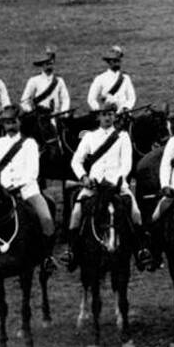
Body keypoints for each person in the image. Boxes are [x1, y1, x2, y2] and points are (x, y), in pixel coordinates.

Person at [66, 102, 142, 270]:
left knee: (136, 212)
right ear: (98, 117)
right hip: (94, 185)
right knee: (76, 213)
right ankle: (71, 251)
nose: (107, 117)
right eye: (104, 114)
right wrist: (84, 177)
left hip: (117, 184)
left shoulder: (123, 136)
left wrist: (118, 180)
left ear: (115, 116)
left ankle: (140, 251)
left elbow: (127, 163)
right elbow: (76, 161)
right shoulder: (89, 137)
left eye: (111, 114)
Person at [0, 105, 56, 246]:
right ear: (3, 124)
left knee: (46, 219)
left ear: (20, 122)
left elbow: (33, 172)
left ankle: (47, 254)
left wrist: (18, 186)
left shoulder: (30, 143)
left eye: (13, 122)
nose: (10, 126)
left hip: (27, 191)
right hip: (3, 191)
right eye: (7, 123)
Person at [87, 45, 136, 114]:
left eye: (118, 60)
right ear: (109, 62)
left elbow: (131, 97)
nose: (117, 63)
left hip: (124, 114)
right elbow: (91, 99)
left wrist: (126, 107)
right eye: (115, 60)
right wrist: (99, 110)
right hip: (107, 115)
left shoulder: (126, 78)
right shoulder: (100, 78)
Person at [20, 48, 69, 116]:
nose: (49, 66)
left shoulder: (59, 81)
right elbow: (24, 101)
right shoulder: (34, 80)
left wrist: (63, 113)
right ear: (42, 64)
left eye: (51, 63)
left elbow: (65, 99)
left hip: (56, 116)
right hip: (39, 117)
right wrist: (31, 112)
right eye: (47, 63)